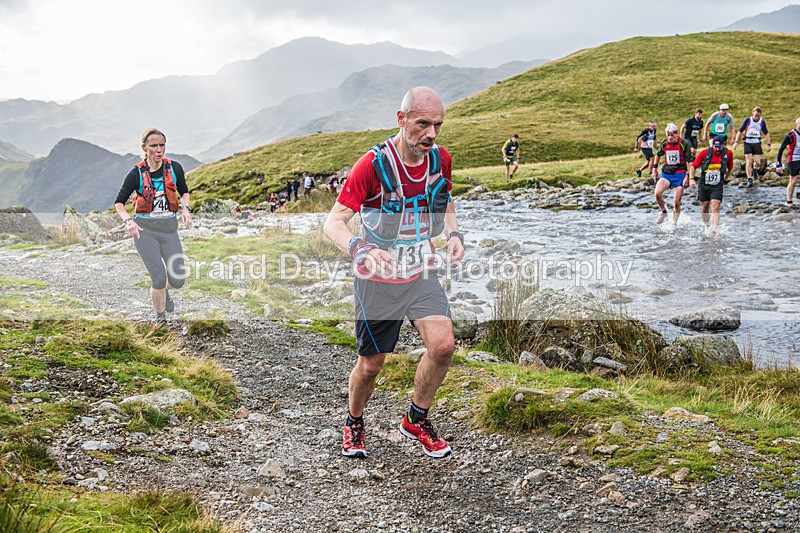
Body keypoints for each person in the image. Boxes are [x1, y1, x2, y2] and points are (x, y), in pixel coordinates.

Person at [323, 86, 465, 459]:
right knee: (371, 366)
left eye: (437, 125)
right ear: (401, 119)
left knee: (443, 345)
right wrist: (360, 247)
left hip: (421, 272)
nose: (431, 134)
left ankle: (416, 419)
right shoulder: (372, 165)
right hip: (377, 280)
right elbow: (334, 222)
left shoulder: (440, 160)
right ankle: (354, 421)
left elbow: (445, 201)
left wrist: (453, 234)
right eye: (422, 124)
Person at [114, 128, 192, 326]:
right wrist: (128, 221)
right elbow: (119, 203)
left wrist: (185, 209)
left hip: (169, 230)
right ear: (145, 148)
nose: (159, 149)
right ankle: (160, 319)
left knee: (178, 279)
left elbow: (184, 192)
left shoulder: (175, 168)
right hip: (145, 231)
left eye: (162, 145)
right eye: (154, 146)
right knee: (158, 278)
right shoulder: (137, 173)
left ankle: (165, 291)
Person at [690, 136, 734, 234]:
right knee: (704, 207)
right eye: (715, 147)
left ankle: (714, 230)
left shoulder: (729, 154)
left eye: (720, 147)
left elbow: (730, 168)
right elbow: (693, 166)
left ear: (724, 145)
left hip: (717, 185)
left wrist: (725, 179)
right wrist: (692, 179)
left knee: (715, 206)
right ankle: (707, 226)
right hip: (704, 184)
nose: (717, 149)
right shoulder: (704, 153)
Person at [652, 123, 693, 224]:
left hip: (680, 174)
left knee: (676, 203)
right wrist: (654, 169)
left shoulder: (684, 144)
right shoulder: (664, 143)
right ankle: (664, 211)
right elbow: (658, 155)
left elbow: (690, 161)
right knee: (657, 193)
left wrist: (688, 176)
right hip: (667, 173)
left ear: (676, 134)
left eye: (672, 135)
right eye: (668, 135)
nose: (670, 138)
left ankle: (674, 224)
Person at [733, 106, 771, 187]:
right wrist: (736, 142)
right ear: (752, 114)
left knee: (757, 162)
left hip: (757, 142)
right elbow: (740, 131)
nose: (756, 117)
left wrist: (768, 144)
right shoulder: (748, 120)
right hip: (748, 142)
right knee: (749, 160)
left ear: (760, 115)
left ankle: (754, 169)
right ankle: (749, 179)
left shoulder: (762, 122)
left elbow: (766, 133)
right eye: (755, 115)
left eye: (758, 116)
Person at [775, 117, 800, 205]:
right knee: (793, 180)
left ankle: (799, 194)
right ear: (796, 125)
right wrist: (778, 163)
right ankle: (789, 201)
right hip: (793, 159)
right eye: (799, 124)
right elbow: (781, 149)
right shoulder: (790, 135)